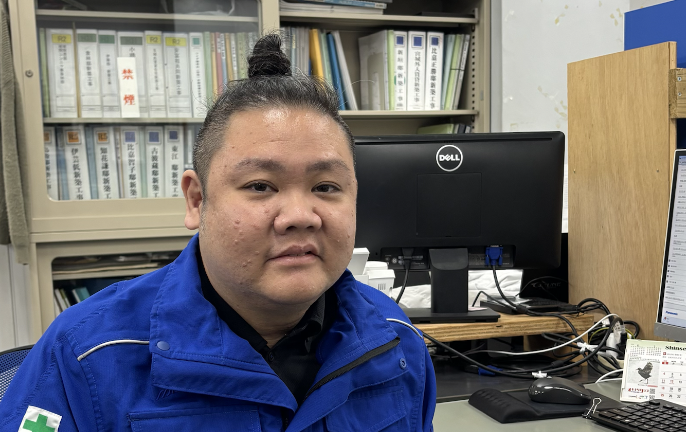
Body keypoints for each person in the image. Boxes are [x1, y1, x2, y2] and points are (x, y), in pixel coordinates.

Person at [0, 34, 436, 431]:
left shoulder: (395, 339)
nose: (300, 216)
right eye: (260, 186)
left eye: (326, 187)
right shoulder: (85, 352)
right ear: (197, 200)